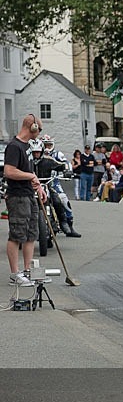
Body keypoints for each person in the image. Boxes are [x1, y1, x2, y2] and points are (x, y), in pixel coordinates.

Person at [4, 114, 47, 287]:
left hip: (29, 194)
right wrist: (30, 176)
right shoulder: (14, 147)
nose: (39, 133)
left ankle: (27, 270)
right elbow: (9, 171)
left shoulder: (27, 146)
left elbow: (30, 172)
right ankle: (15, 273)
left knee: (31, 234)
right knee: (17, 235)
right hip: (18, 196)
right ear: (33, 127)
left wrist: (38, 186)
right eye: (39, 129)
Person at [31, 140, 81, 237]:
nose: (36, 154)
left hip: (47, 185)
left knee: (58, 201)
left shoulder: (48, 160)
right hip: (31, 188)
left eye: (38, 152)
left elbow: (62, 164)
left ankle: (63, 223)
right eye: (34, 152)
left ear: (41, 151)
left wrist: (67, 170)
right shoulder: (27, 161)